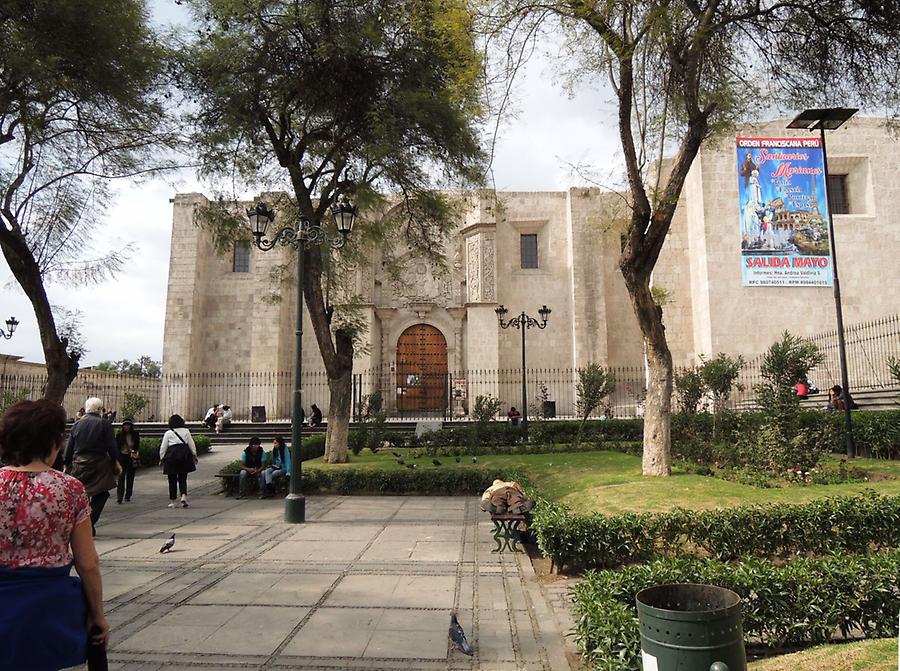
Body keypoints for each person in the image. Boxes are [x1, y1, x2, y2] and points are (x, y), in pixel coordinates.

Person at [1, 399, 110, 670]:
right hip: (49, 606)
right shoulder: (69, 489)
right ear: (53, 441)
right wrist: (97, 614)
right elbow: (88, 563)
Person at [63, 397, 121, 536]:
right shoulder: (104, 424)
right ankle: (90, 521)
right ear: (100, 409)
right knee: (102, 493)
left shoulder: (77, 424)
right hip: (99, 463)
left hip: (79, 463)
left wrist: (66, 463)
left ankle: (85, 523)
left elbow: (69, 446)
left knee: (82, 495)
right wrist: (115, 462)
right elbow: (112, 447)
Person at [159, 414, 198, 508]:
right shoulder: (186, 431)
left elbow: (163, 447)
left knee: (172, 479)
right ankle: (183, 495)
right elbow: (191, 444)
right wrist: (194, 455)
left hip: (171, 457)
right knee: (183, 478)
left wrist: (161, 458)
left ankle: (173, 501)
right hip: (184, 457)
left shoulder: (168, 433)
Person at [115, 419, 140, 503]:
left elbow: (137, 446)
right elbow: (116, 447)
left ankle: (128, 495)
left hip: (132, 457)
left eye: (128, 425)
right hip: (122, 457)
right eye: (125, 425)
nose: (127, 427)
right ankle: (119, 496)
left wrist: (135, 454)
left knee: (130, 477)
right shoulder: (119, 435)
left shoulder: (135, 435)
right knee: (121, 477)